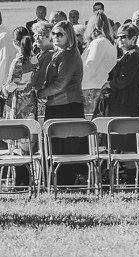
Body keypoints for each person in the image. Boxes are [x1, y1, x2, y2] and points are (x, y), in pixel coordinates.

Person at [39, 21, 86, 185]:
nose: (56, 37)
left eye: (60, 34)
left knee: (67, 147)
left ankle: (66, 182)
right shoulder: (57, 53)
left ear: (69, 36)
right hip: (56, 105)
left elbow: (61, 84)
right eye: (54, 34)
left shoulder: (70, 54)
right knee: (55, 146)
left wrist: (40, 93)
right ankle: (56, 181)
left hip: (67, 106)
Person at [101, 23, 139, 120]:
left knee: (123, 133)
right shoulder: (127, 55)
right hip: (124, 104)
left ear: (133, 39)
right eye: (117, 37)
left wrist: (109, 84)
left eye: (123, 37)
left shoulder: (133, 55)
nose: (119, 40)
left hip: (127, 104)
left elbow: (124, 79)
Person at [80, 12, 117, 115]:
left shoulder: (98, 43)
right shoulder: (111, 43)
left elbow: (89, 66)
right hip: (102, 87)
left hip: (91, 89)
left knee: (89, 125)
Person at [1, 27, 38, 119]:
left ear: (15, 42)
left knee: (16, 130)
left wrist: (4, 91)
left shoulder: (18, 61)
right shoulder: (34, 58)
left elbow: (12, 84)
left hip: (18, 102)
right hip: (31, 99)